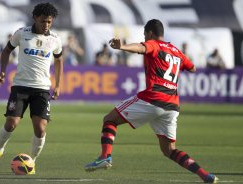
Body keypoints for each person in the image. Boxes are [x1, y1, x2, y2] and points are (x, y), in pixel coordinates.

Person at [84, 19, 218, 183]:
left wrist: (122, 47)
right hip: (172, 106)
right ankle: (205, 175)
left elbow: (141, 48)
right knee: (169, 150)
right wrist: (179, 60)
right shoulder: (175, 50)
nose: (145, 39)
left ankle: (105, 156)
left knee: (109, 120)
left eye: (145, 35)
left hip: (154, 98)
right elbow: (192, 68)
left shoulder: (154, 44)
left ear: (150, 33)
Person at [0, 3, 64, 175]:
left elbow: (59, 60)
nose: (46, 25)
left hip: (42, 89)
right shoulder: (22, 33)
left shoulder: (55, 39)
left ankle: (32, 162)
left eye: (50, 22)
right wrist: (2, 71)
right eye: (43, 21)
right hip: (20, 86)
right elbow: (6, 51)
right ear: (35, 18)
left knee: (40, 128)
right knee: (11, 123)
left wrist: (58, 85)